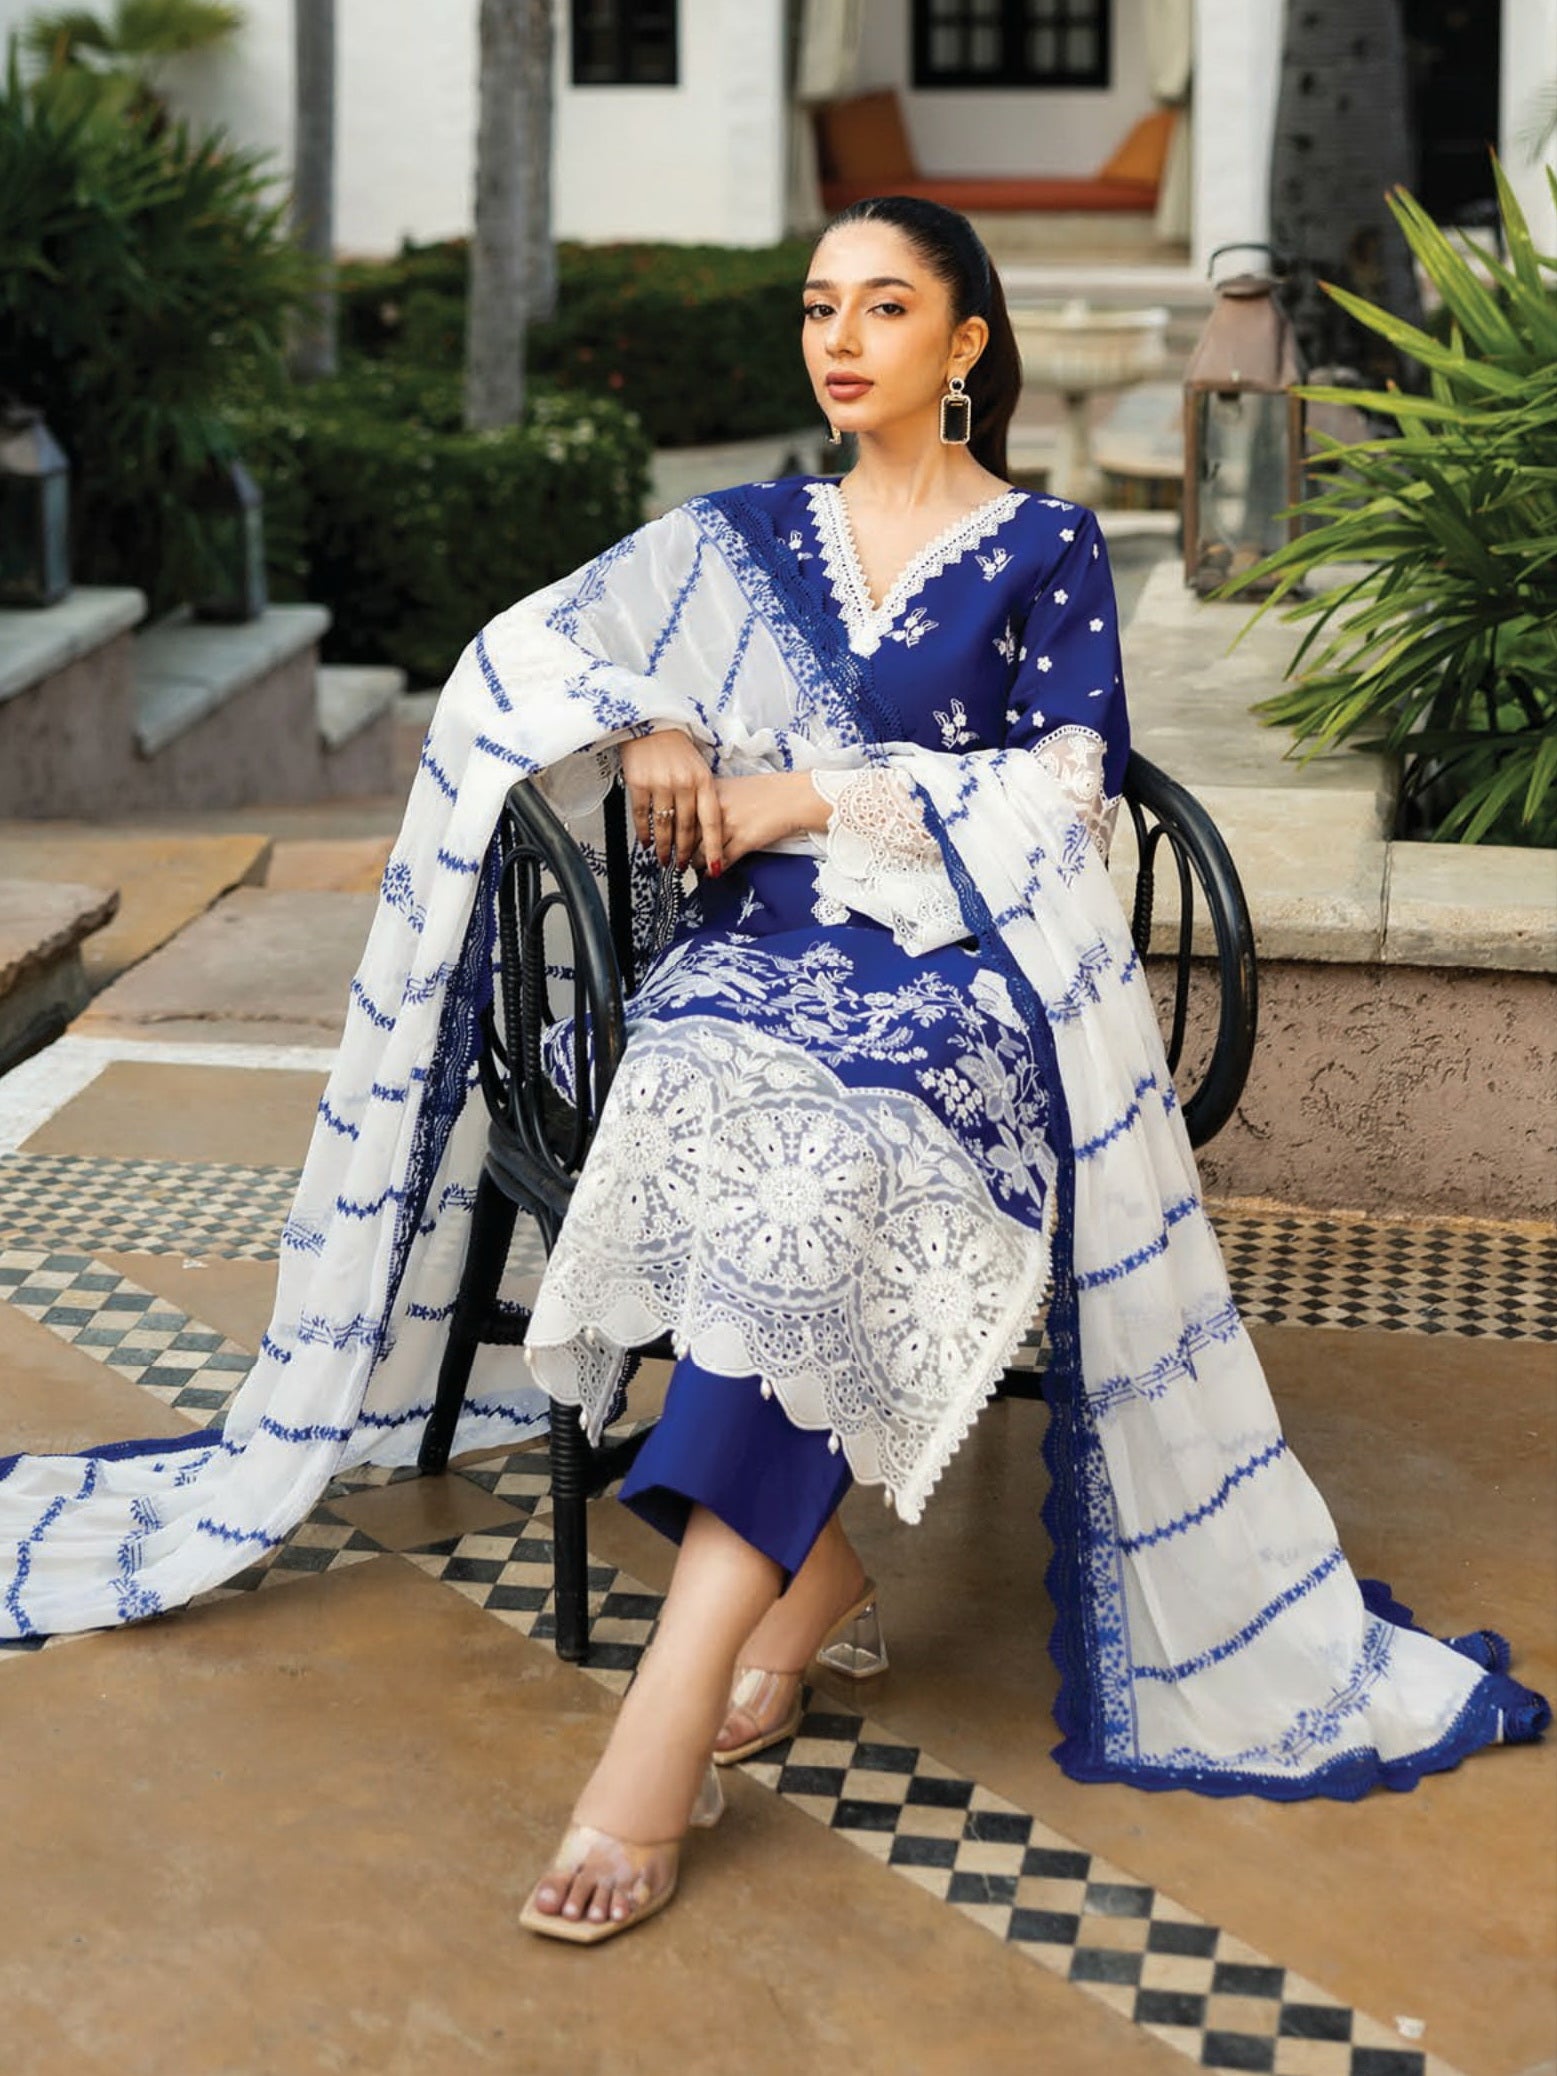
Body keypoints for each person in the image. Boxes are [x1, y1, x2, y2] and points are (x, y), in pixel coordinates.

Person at [0, 199, 1546, 1947]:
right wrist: (648, 721)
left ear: (964, 345)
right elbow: (522, 653)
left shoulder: (1044, 548)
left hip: (966, 976)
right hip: (750, 962)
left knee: (831, 1165)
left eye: (883, 307)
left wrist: (803, 791)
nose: (840, 339)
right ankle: (803, 1589)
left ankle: (660, 1729)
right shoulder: (734, 535)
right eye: (819, 307)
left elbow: (1065, 791)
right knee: (721, 1127)